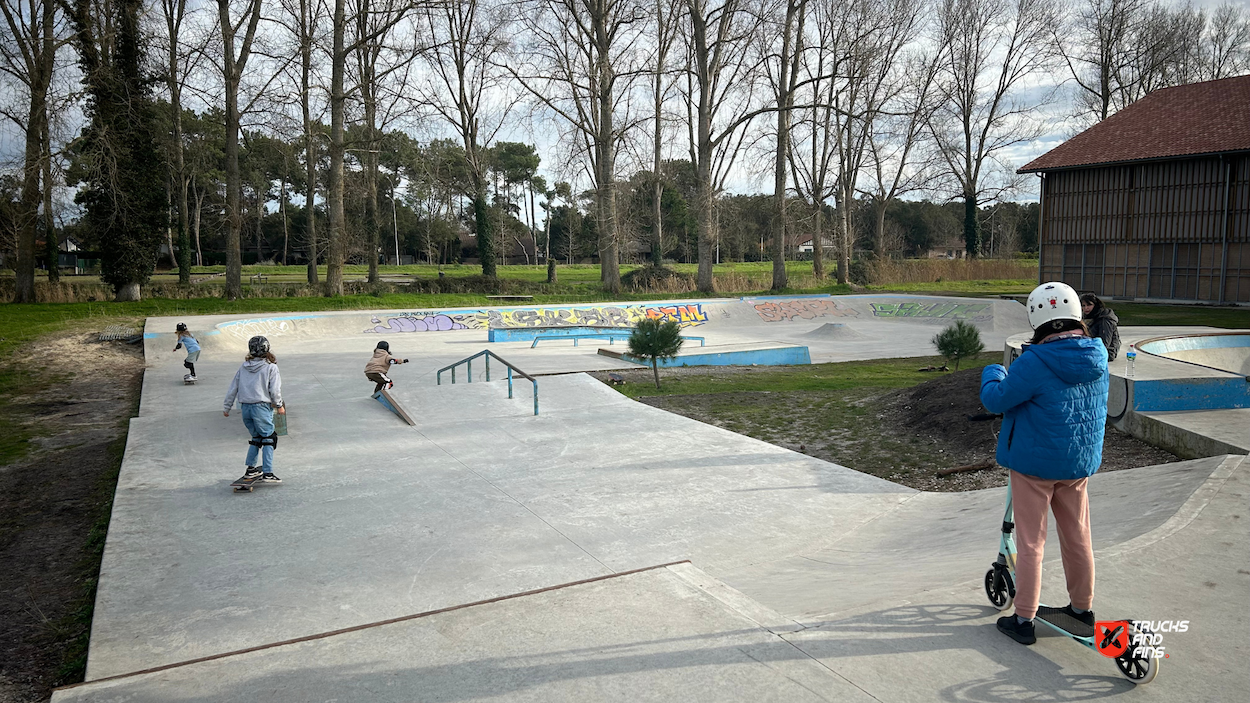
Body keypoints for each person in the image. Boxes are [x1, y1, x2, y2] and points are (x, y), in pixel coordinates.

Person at [980, 281, 1109, 645]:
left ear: (1037, 317)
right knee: (1078, 536)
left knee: (1031, 542)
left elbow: (997, 399)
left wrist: (993, 370)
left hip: (1034, 468)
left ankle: (1023, 620)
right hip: (1078, 465)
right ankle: (1081, 609)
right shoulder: (1096, 354)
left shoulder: (1035, 360)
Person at [223, 336, 285, 482]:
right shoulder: (271, 367)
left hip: (245, 408)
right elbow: (275, 390)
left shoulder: (243, 367)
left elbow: (233, 388)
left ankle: (251, 469)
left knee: (256, 438)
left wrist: (227, 407)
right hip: (261, 407)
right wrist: (279, 405)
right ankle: (268, 473)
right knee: (269, 438)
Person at [1081, 293, 1121, 361]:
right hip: (1092, 348)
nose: (1086, 308)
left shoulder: (1105, 319)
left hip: (1107, 352)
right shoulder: (1089, 317)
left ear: (1095, 305)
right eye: (1083, 305)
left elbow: (1105, 343)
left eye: (1089, 305)